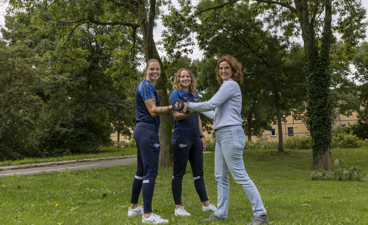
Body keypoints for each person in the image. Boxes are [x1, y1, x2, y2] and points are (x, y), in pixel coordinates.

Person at [181, 55, 269, 225]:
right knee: (220, 176)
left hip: (231, 133)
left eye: (226, 68)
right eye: (220, 68)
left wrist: (189, 106)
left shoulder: (231, 85)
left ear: (234, 70)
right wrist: (196, 105)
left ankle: (261, 214)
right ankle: (220, 213)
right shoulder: (225, 88)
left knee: (240, 175)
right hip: (222, 134)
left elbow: (212, 103)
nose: (222, 71)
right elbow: (215, 113)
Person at [128, 59, 172, 224]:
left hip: (142, 130)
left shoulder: (148, 86)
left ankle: (133, 208)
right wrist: (170, 108)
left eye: (157, 69)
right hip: (147, 131)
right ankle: (147, 215)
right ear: (146, 70)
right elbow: (153, 111)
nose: (155, 72)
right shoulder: (146, 86)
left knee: (141, 171)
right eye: (152, 69)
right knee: (150, 172)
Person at [169, 68, 217, 217]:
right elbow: (177, 116)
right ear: (178, 79)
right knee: (179, 172)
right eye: (182, 76)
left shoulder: (194, 96)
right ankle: (178, 208)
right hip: (181, 138)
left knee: (199, 173)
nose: (185, 78)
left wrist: (202, 136)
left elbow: (198, 117)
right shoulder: (175, 94)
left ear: (191, 79)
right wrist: (193, 108)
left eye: (187, 76)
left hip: (195, 138)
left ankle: (206, 204)